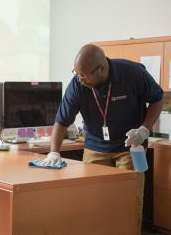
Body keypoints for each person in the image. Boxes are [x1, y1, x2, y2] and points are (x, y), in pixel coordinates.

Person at [40, 44, 163, 232]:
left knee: (129, 201)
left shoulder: (132, 73)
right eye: (77, 73)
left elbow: (157, 99)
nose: (80, 78)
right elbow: (61, 121)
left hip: (131, 148)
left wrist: (144, 129)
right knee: (92, 202)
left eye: (85, 74)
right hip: (95, 148)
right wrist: (54, 152)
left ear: (102, 68)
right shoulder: (77, 85)